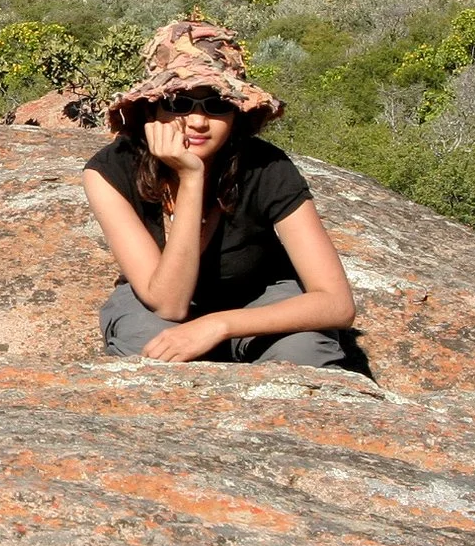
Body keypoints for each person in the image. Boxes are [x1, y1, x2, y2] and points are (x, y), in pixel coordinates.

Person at [81, 19, 356, 365]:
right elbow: (169, 303)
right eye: (179, 103)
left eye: (216, 104)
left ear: (237, 113)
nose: (197, 121)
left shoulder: (267, 168)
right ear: (151, 108)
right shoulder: (111, 170)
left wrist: (219, 325)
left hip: (256, 302)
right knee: (149, 348)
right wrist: (192, 178)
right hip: (157, 304)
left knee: (302, 353)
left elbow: (336, 302)